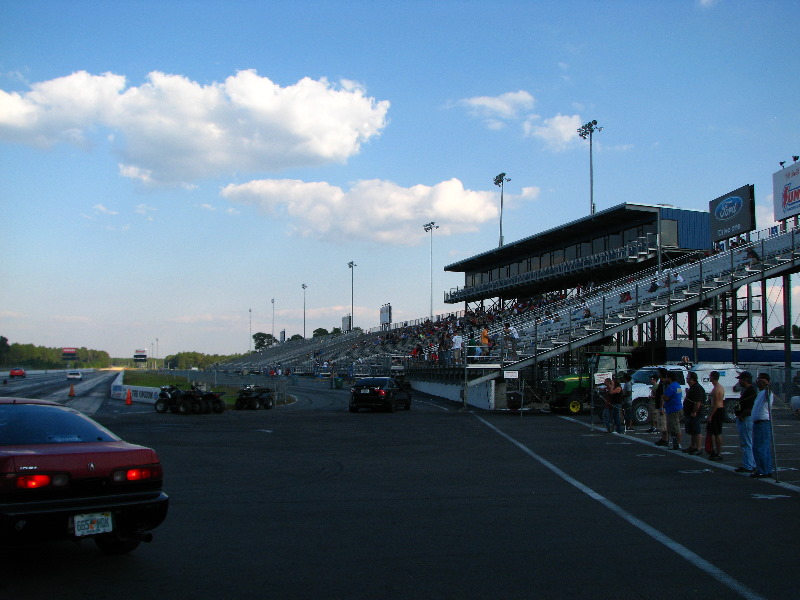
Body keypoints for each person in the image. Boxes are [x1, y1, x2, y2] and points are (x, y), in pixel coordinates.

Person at [750, 373, 775, 479]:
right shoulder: (760, 393)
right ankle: (765, 469)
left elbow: (768, 394)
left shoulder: (767, 393)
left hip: (763, 423)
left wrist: (767, 385)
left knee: (760, 448)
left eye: (759, 380)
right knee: (760, 448)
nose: (757, 382)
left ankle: (763, 470)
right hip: (758, 423)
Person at [733, 371, 757, 473]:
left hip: (746, 418)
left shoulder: (751, 391)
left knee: (746, 443)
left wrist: (741, 416)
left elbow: (749, 407)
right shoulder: (746, 390)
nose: (739, 381)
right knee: (748, 442)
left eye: (741, 379)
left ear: (746, 379)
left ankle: (748, 465)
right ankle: (751, 463)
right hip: (744, 417)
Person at [682, 371, 706, 455]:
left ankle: (698, 448)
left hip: (696, 413)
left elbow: (698, 402)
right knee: (692, 431)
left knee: (697, 430)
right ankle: (692, 446)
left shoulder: (697, 388)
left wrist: (694, 411)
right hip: (689, 413)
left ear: (692, 379)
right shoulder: (692, 388)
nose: (687, 379)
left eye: (688, 378)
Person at [706, 370, 725, 461]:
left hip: (717, 411)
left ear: (713, 377)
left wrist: (710, 415)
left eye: (710, 376)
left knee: (717, 433)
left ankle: (719, 453)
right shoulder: (715, 387)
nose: (709, 377)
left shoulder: (718, 388)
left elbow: (717, 404)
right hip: (715, 410)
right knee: (713, 432)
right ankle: (713, 451)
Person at [662, 371, 683, 450]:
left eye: (667, 377)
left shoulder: (671, 387)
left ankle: (677, 443)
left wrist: (663, 396)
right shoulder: (678, 386)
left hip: (672, 409)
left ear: (669, 378)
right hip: (678, 407)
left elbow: (665, 397)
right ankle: (676, 443)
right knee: (674, 426)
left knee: (674, 427)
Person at [654, 368, 668, 443]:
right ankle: (663, 438)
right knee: (661, 424)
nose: (658, 374)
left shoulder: (664, 383)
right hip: (659, 405)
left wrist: (661, 407)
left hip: (663, 406)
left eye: (659, 373)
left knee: (663, 423)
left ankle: (665, 439)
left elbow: (663, 396)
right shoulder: (661, 382)